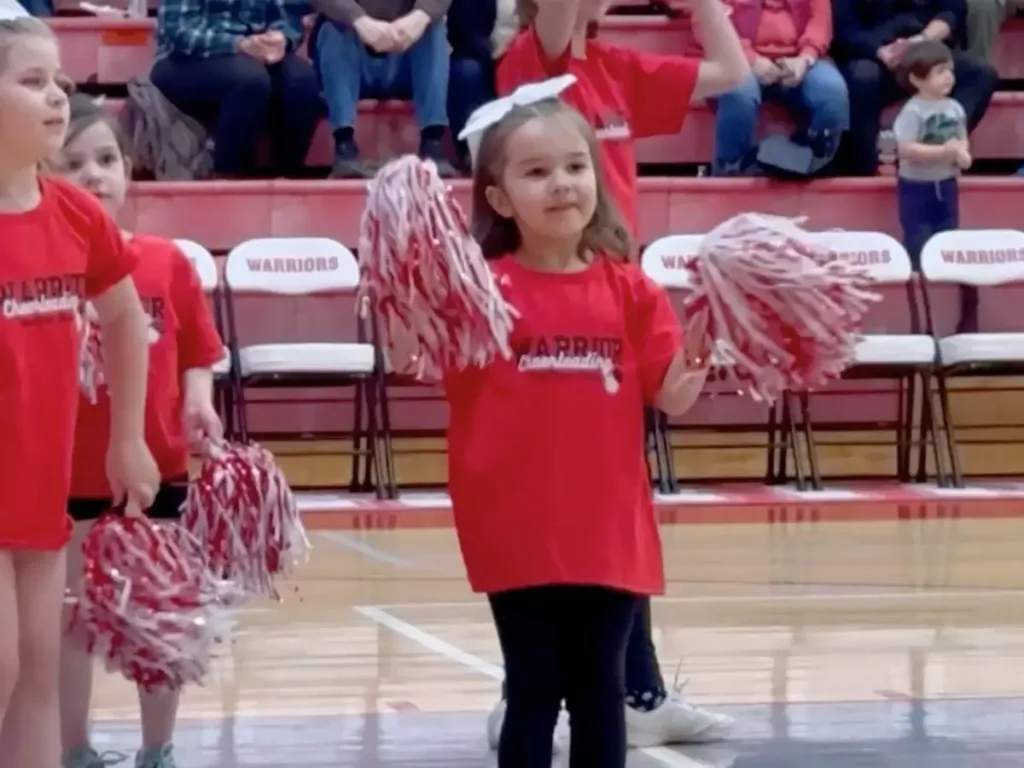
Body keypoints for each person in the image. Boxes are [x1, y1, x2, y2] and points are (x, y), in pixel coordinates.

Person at [491, 0, 746, 747]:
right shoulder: (532, 67)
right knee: (552, 514)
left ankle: (637, 689)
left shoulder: (618, 68)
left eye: (576, 165)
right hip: (546, 304)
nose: (569, 176)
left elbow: (734, 72)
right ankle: (531, 692)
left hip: (611, 306)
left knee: (608, 519)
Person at [449, 87, 709, 768]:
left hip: (607, 524)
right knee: (534, 686)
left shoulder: (632, 289)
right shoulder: (481, 290)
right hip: (514, 525)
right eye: (536, 173)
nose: (561, 184)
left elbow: (673, 396)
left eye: (575, 166)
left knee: (602, 686)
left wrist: (707, 345)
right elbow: (419, 360)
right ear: (500, 198)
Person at [0, 12, 159, 768]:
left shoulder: (77, 216)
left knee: (36, 669)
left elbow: (127, 322)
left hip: (39, 483)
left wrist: (127, 440)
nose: (59, 97)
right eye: (33, 82)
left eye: (60, 80)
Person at [51, 95, 226, 768]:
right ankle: (74, 748)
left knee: (161, 616)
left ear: (130, 170)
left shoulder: (166, 261)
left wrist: (200, 401)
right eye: (74, 163)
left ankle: (159, 749)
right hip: (66, 476)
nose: (94, 175)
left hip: (160, 471)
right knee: (70, 622)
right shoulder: (39, 269)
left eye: (106, 160)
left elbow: (198, 352)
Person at [149, 0, 321, 178]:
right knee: (251, 79)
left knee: (302, 80)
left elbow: (287, 15)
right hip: (184, 57)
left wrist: (280, 39)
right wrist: (239, 45)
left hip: (254, 52)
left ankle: (287, 178)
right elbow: (178, 30)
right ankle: (227, 176)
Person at [829, 0, 996, 176]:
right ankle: (864, 169)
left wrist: (923, 40)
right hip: (873, 55)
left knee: (979, 74)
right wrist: (879, 51)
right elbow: (843, 31)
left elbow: (953, 10)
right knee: (861, 77)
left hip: (925, 48)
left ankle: (938, 151)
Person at [310, 0, 457, 179]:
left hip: (407, 54)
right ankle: (344, 145)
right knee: (332, 31)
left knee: (434, 29)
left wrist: (421, 15)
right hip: (353, 53)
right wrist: (357, 19)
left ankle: (432, 142)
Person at [892, 40, 977, 331]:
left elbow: (961, 137)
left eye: (950, 71)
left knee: (949, 242)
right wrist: (943, 153)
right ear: (917, 79)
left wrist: (963, 153)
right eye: (940, 72)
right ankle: (919, 320)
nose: (948, 77)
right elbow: (905, 149)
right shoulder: (913, 111)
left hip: (947, 185)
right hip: (916, 188)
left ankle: (962, 320)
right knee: (918, 243)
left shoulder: (955, 108)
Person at [713, 0, 849, 176]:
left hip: (801, 59)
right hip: (739, 57)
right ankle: (730, 169)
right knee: (739, 93)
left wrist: (805, 58)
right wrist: (750, 58)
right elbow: (717, 25)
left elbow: (820, 22)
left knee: (832, 92)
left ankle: (813, 162)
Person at [447, 0, 520, 171]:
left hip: (525, 53)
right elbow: (461, 33)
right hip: (483, 57)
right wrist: (495, 57)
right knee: (464, 70)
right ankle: (473, 151)